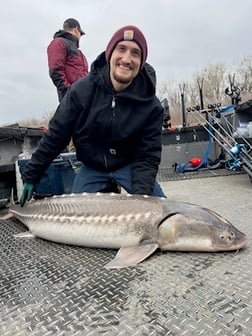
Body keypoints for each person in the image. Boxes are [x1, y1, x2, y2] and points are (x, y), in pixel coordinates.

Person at [20, 25, 166, 206]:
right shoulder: (81, 91)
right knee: (74, 216)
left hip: (129, 165)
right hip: (92, 166)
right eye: (121, 49)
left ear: (141, 61)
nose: (127, 59)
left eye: (135, 53)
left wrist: (140, 203)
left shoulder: (151, 106)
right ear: (110, 53)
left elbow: (147, 157)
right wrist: (32, 174)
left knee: (160, 210)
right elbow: (56, 135)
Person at [47, 18, 89, 102]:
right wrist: (68, 93)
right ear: (76, 30)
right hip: (72, 100)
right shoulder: (59, 43)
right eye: (80, 34)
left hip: (84, 98)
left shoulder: (79, 52)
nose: (80, 37)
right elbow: (56, 71)